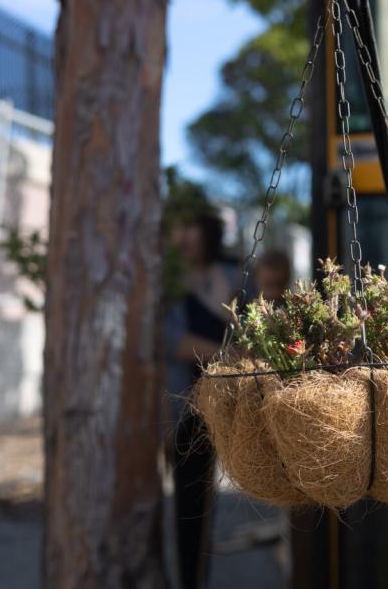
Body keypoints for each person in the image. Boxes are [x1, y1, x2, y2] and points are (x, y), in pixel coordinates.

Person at [162, 180, 239, 589]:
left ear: (208, 229)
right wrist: (227, 355)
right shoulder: (165, 282)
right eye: (175, 226)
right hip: (179, 412)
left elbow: (255, 330)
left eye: (191, 225)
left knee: (204, 510)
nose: (183, 236)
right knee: (180, 510)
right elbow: (172, 343)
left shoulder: (232, 273)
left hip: (225, 409)